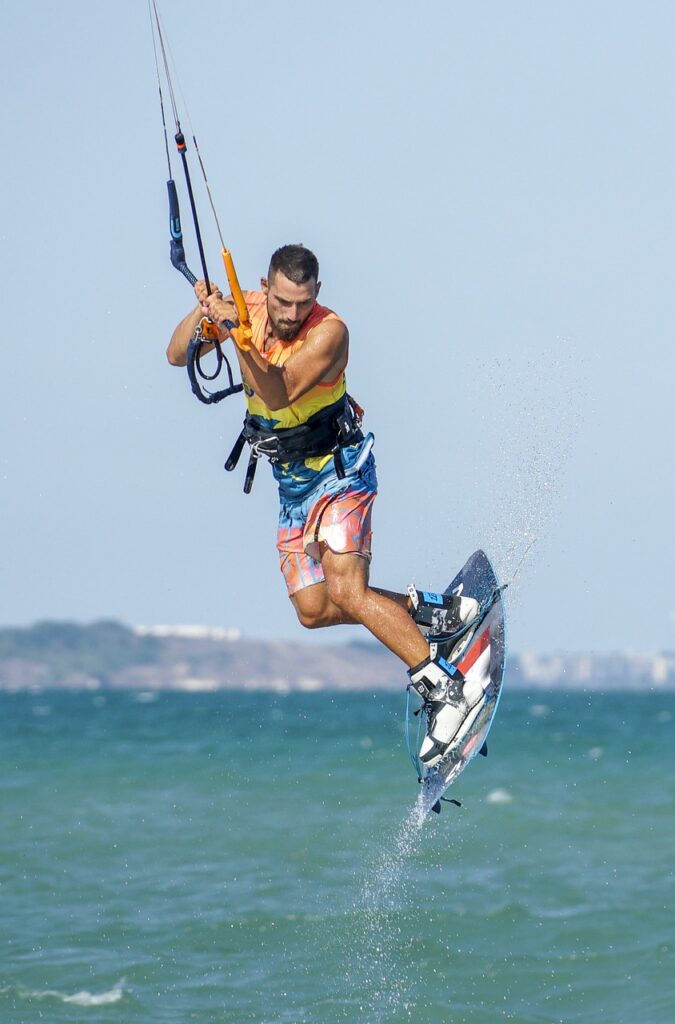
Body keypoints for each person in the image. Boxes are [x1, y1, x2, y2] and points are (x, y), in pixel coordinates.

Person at [167, 244, 482, 765]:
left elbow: (277, 392)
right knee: (313, 610)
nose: (292, 315)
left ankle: (447, 688)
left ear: (317, 295)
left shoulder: (330, 333)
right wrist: (206, 315)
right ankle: (435, 614)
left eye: (303, 302)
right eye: (283, 302)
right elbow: (177, 354)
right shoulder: (247, 311)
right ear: (265, 290)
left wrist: (238, 334)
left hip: (341, 472)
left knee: (346, 589)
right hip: (293, 488)